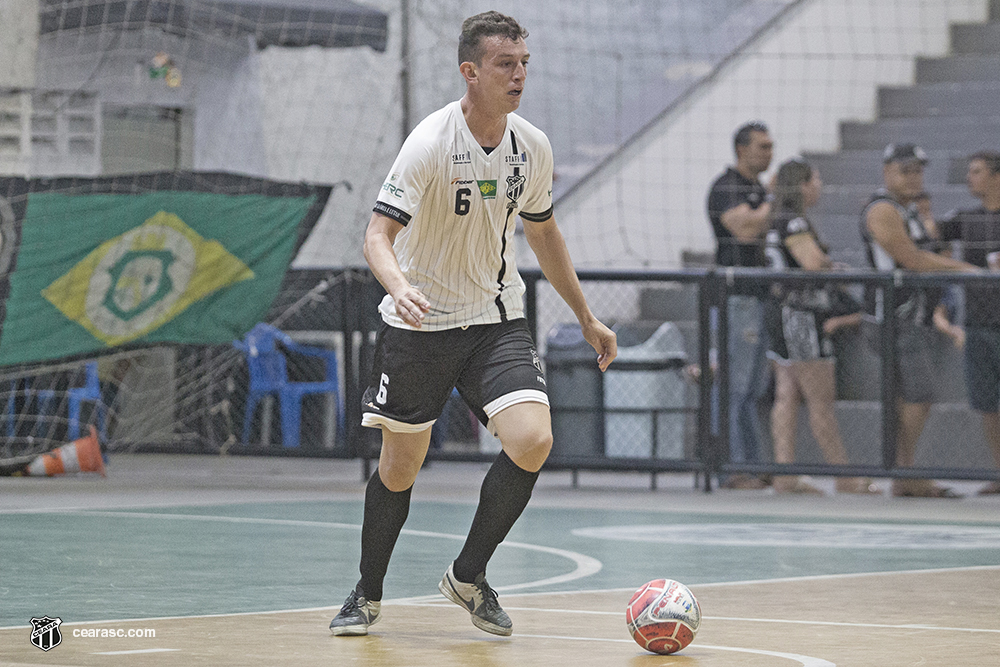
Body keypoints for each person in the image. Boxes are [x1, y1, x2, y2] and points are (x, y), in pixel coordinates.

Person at [329, 11, 617, 638]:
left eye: (524, 65)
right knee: (401, 466)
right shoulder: (432, 142)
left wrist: (586, 316)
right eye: (504, 65)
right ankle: (366, 593)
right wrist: (400, 287)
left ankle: (468, 575)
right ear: (471, 72)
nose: (518, 76)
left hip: (495, 319)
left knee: (533, 439)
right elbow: (378, 234)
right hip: (422, 325)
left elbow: (542, 232)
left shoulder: (530, 147)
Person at [859, 143, 979, 497]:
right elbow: (911, 258)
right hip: (894, 317)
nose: (914, 177)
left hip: (914, 316)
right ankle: (902, 471)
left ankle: (903, 471)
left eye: (918, 170)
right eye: (905, 170)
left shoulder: (908, 209)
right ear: (887, 171)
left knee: (911, 396)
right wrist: (966, 269)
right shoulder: (882, 209)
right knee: (918, 394)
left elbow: (927, 251)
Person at [763, 158, 877, 494]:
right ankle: (843, 475)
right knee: (820, 398)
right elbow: (812, 263)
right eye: (815, 180)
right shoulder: (794, 221)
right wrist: (831, 265)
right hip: (800, 314)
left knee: (786, 395)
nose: (819, 187)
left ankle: (785, 471)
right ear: (801, 184)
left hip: (781, 311)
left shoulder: (774, 221)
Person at [707, 121, 774, 489]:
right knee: (733, 387)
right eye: (762, 147)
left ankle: (751, 464)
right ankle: (730, 469)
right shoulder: (726, 188)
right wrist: (775, 200)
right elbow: (744, 229)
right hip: (737, 299)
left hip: (756, 295)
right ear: (741, 149)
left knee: (750, 390)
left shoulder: (755, 188)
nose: (769, 153)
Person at [938, 150, 1000, 495]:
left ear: (996, 176)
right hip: (978, 324)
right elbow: (930, 237)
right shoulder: (966, 219)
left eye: (976, 171)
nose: (969, 177)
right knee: (987, 403)